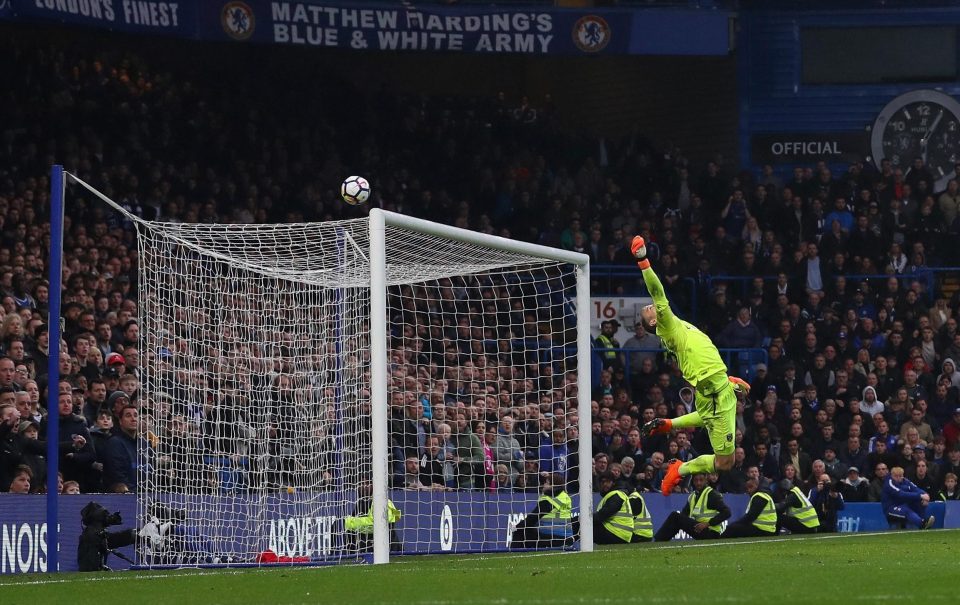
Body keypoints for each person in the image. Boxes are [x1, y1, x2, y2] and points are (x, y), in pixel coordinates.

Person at [632, 235, 750, 495]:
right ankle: (680, 470)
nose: (652, 306)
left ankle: (679, 468)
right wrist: (643, 261)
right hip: (717, 394)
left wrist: (671, 423)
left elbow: (703, 414)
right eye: (648, 310)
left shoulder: (672, 325)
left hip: (714, 392)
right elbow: (657, 290)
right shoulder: (667, 326)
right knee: (725, 463)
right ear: (653, 323)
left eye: (652, 307)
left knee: (725, 457)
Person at [654, 473, 731, 541]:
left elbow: (727, 512)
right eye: (696, 480)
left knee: (675, 516)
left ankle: (658, 541)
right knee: (676, 518)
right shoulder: (692, 496)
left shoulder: (711, 494)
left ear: (706, 480)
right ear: (693, 482)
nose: (698, 483)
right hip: (699, 529)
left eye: (701, 480)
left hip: (711, 532)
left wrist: (707, 523)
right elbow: (683, 515)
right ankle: (660, 541)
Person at [510, 473, 577, 549]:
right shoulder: (564, 496)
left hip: (553, 537)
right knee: (525, 528)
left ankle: (513, 553)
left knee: (520, 530)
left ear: (553, 486)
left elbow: (533, 518)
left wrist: (516, 527)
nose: (544, 485)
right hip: (566, 537)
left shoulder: (549, 499)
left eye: (547, 483)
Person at [593, 471, 634, 544]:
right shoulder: (614, 494)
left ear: (613, 483)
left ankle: (568, 545)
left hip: (616, 533)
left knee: (580, 524)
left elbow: (602, 515)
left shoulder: (616, 495)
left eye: (608, 481)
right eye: (603, 482)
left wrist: (584, 519)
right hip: (621, 534)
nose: (605, 484)